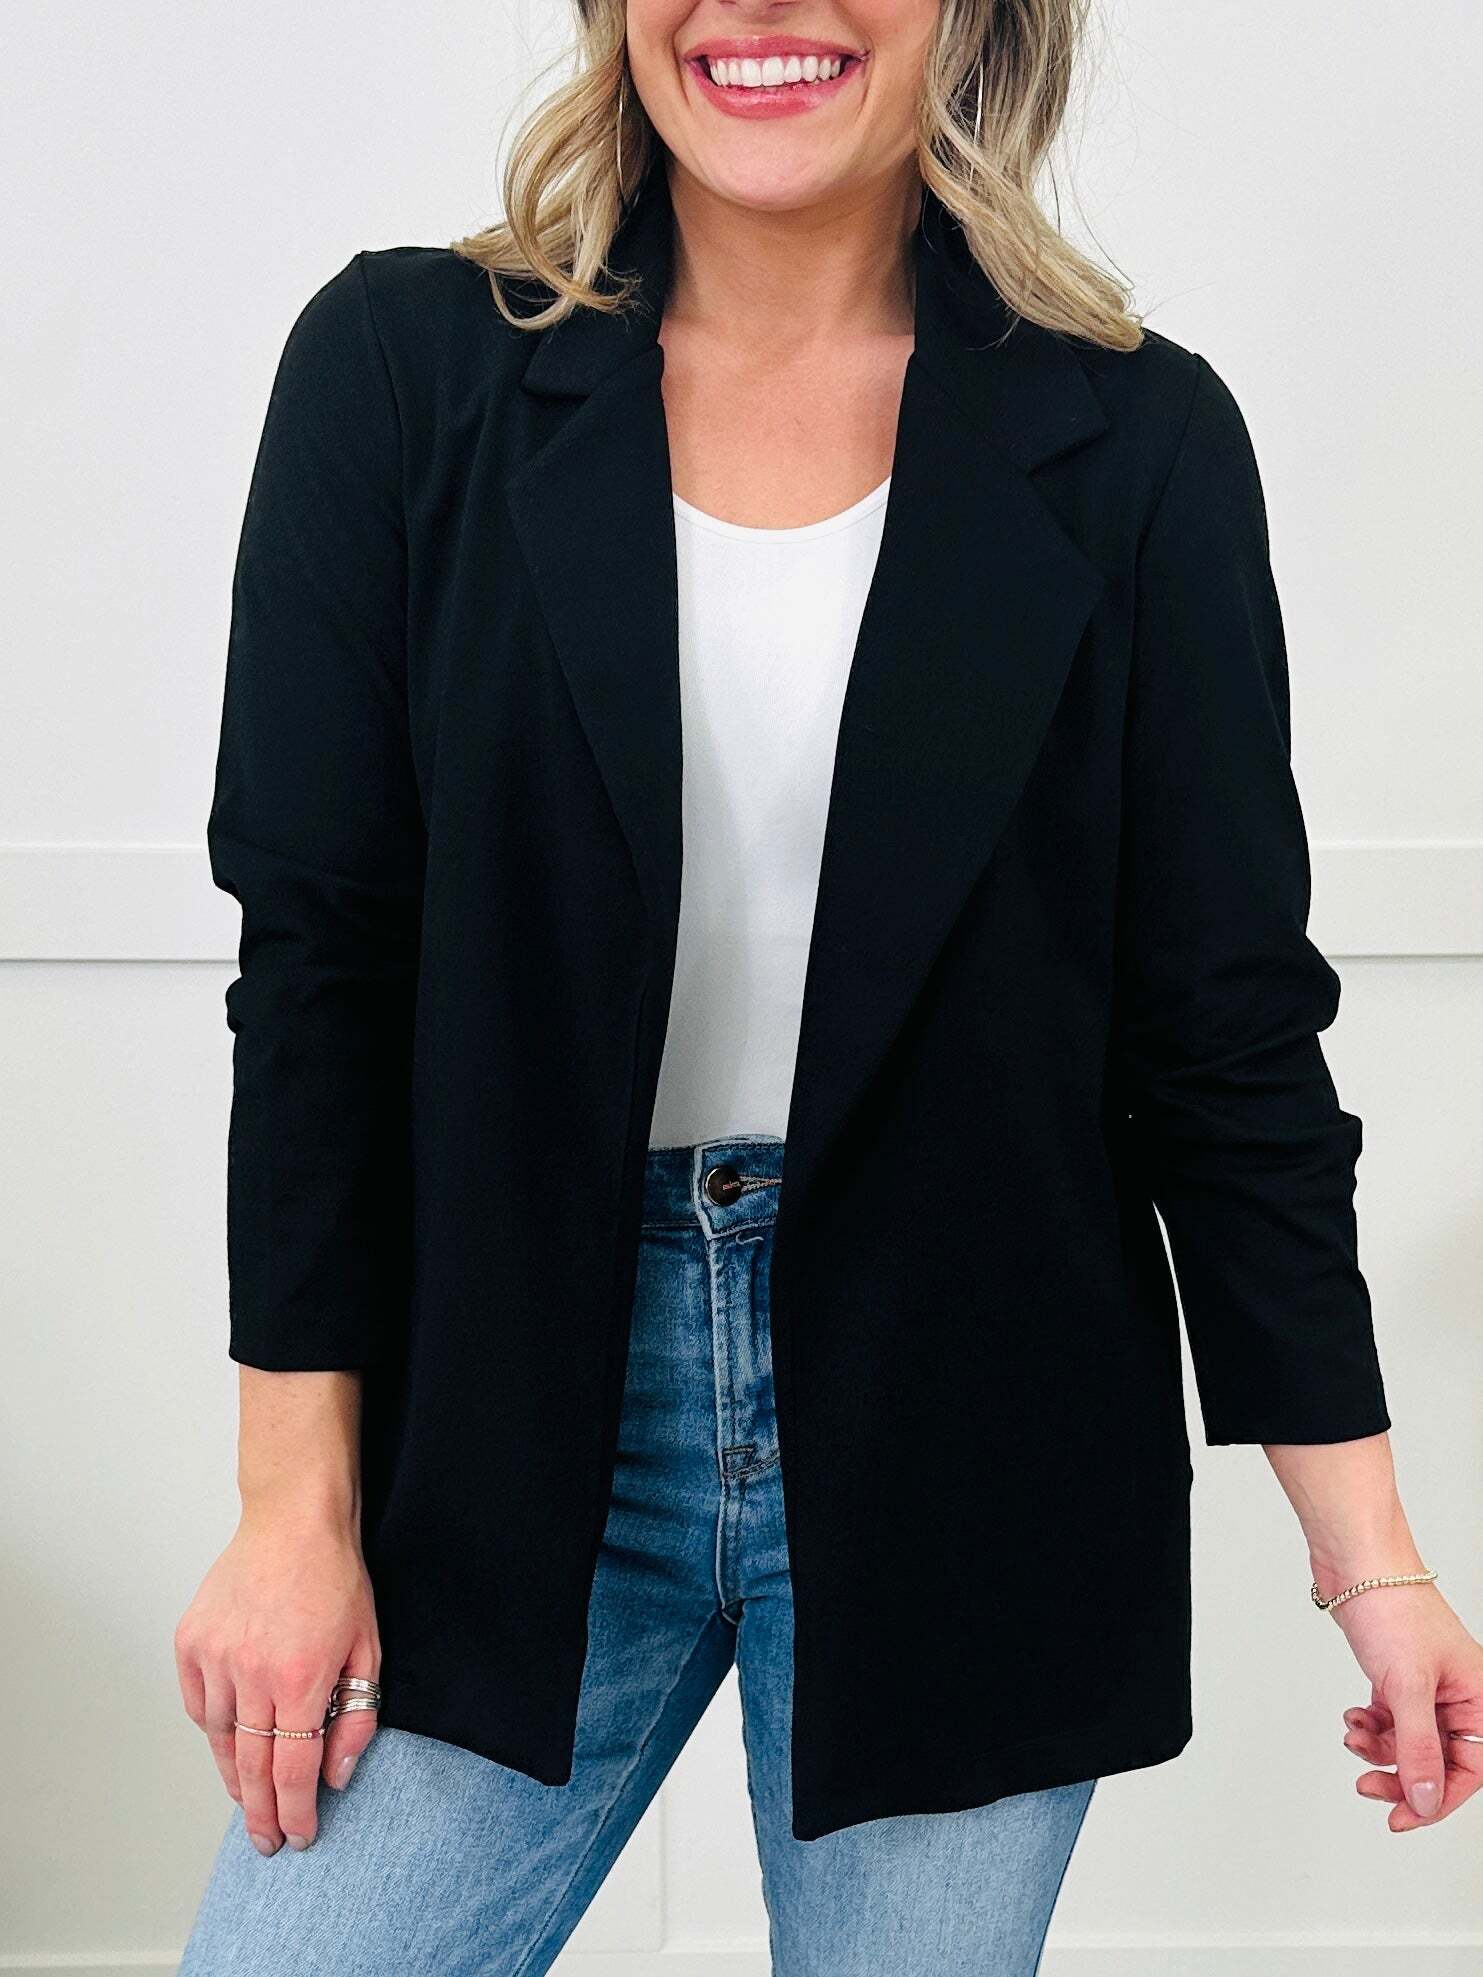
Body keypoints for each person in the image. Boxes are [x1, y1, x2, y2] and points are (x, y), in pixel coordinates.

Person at [174, 3, 1483, 1971]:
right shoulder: (401, 370)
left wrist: (1370, 1561)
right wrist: (291, 1503)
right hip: (504, 1409)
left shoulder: (1139, 441)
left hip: (972, 1419)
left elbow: (1224, 1041)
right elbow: (321, 970)